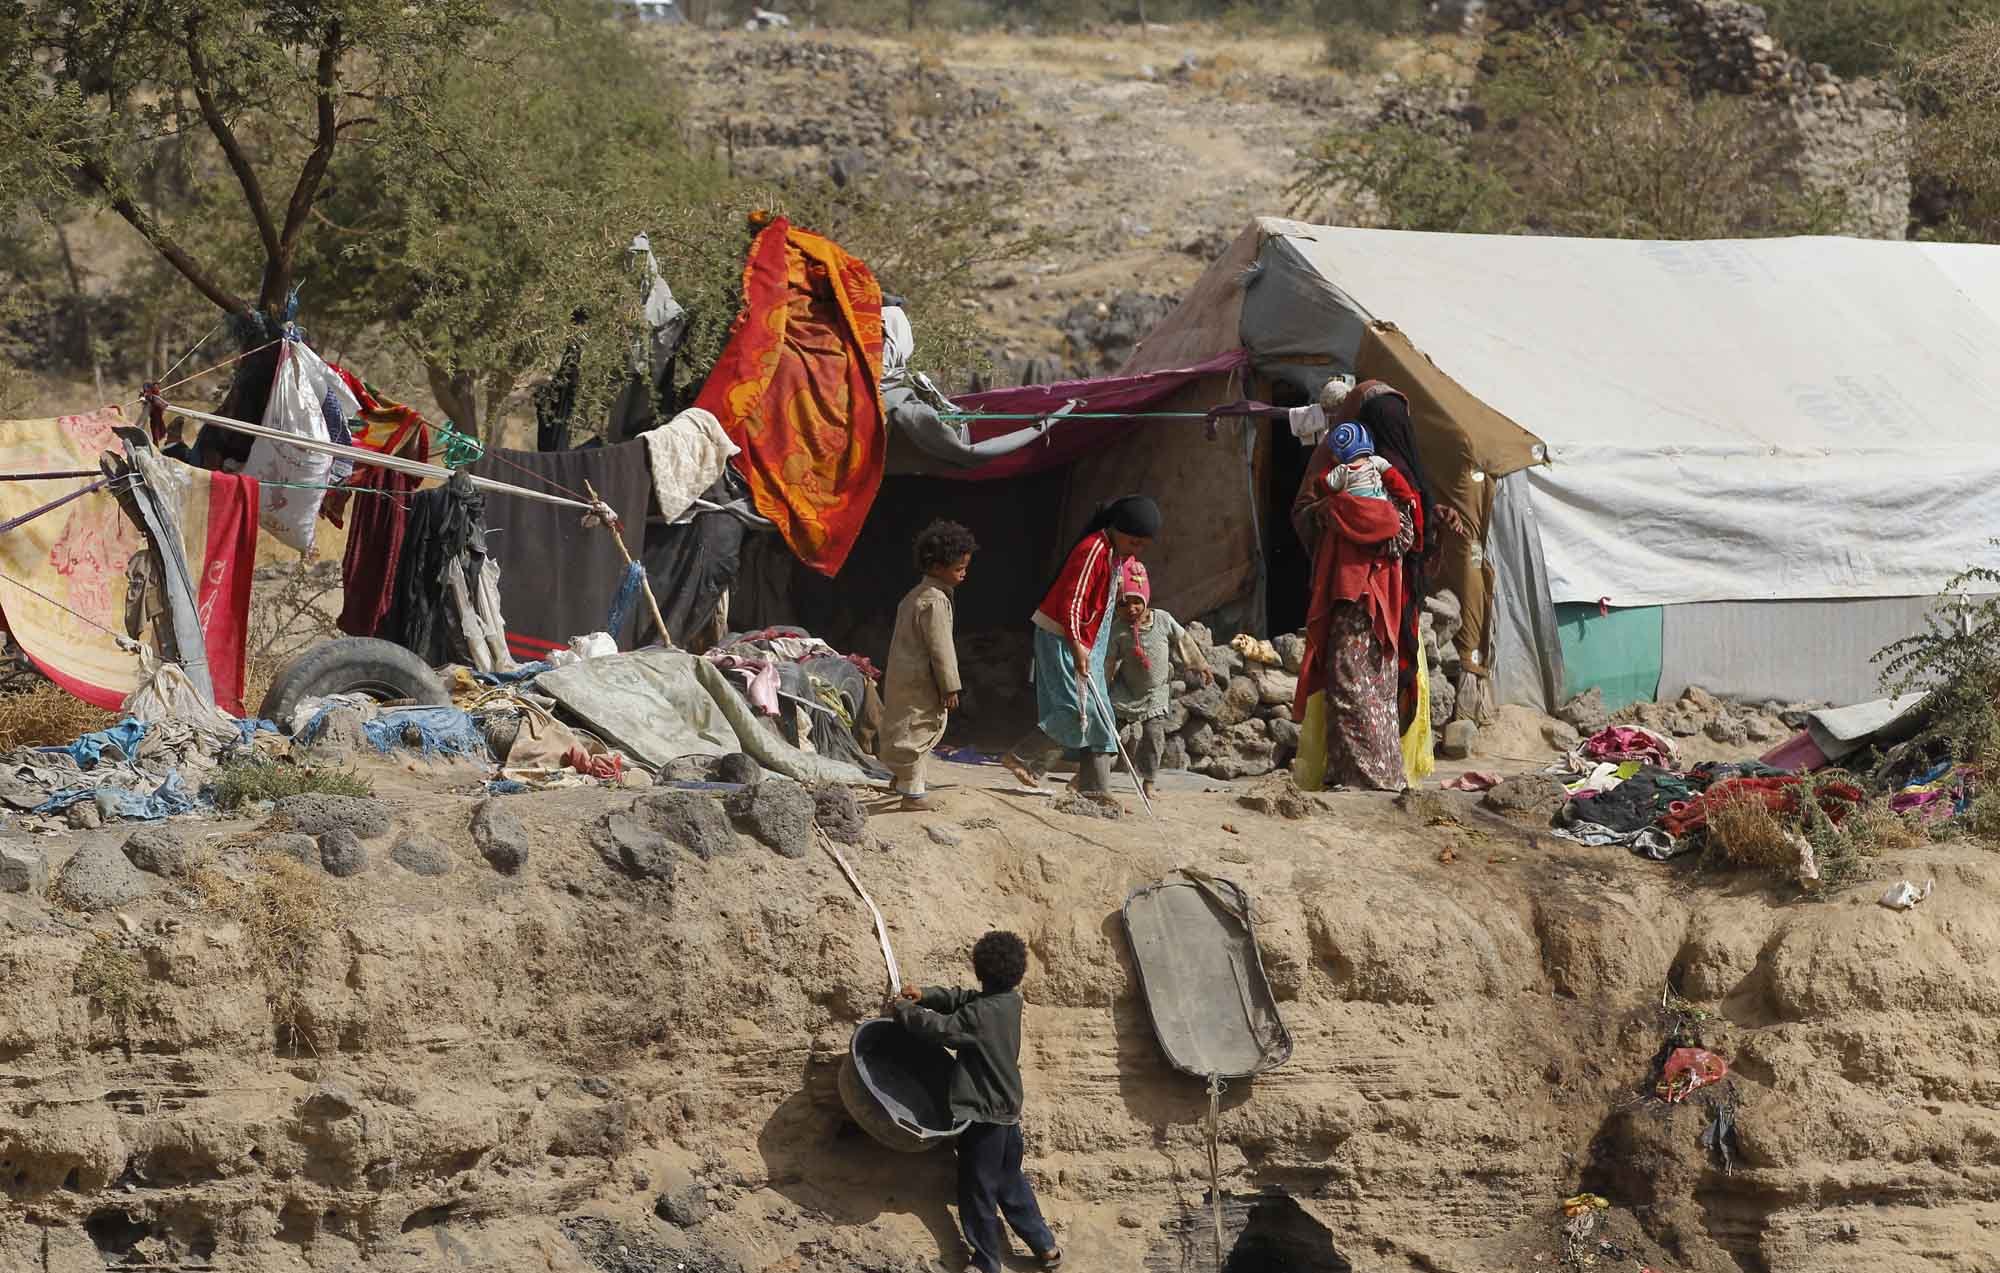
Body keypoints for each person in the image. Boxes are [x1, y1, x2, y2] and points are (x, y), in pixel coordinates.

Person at [894, 931, 1063, 1272]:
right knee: (1010, 1180)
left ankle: (986, 1263)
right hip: (1008, 1111)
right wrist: (927, 994)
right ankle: (1045, 1246)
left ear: (979, 968)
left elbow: (942, 1029)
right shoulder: (1008, 1002)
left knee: (977, 1190)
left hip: (983, 1116)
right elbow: (964, 999)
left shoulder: (978, 1016)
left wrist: (903, 1011)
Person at [1001, 494, 1160, 803]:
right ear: (1118, 529)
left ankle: (1094, 789)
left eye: (1143, 545)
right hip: (1062, 637)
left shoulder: (1117, 556)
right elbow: (1071, 603)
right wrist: (1076, 646)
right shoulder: (1093, 550)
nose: (1137, 551)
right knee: (1076, 709)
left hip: (1090, 641)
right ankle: (1024, 758)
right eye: (1135, 542)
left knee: (1102, 717)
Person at [1291, 419, 1421, 792]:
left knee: (1345, 685)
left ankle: (1360, 776)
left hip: (1349, 600)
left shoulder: (1331, 508)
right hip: (1383, 606)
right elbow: (1406, 538)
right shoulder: (1395, 509)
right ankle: (1385, 773)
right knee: (1378, 690)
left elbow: (1312, 507)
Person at [879, 520, 977, 812]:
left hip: (903, 676)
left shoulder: (914, 596)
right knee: (918, 731)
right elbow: (941, 648)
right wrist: (950, 686)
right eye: (959, 568)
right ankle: (913, 794)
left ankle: (900, 779)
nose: (964, 574)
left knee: (903, 726)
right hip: (921, 679)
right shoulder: (934, 601)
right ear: (936, 567)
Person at [1105, 558, 1211, 800]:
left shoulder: (1162, 620)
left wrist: (1200, 664)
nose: (1130, 609)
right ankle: (1091, 776)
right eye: (1123, 604)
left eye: (1136, 602)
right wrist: (1104, 686)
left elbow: (1183, 640)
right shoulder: (1118, 629)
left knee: (1154, 737)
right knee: (1108, 732)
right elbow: (1108, 661)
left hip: (1155, 693)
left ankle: (1149, 782)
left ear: (1146, 599)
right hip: (1125, 691)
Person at [1318, 421, 1392, 502]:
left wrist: (1328, 467)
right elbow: (1396, 480)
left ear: (1340, 453)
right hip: (1381, 507)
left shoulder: (1342, 470)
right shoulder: (1376, 461)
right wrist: (1407, 498)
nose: (1331, 456)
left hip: (1354, 510)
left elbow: (1324, 485)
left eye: (1333, 452)